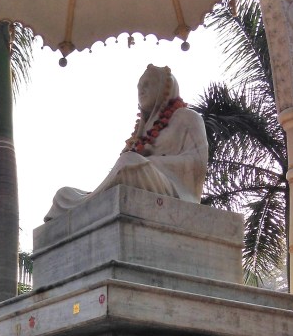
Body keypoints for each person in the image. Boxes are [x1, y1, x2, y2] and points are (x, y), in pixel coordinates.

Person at [45, 64, 208, 221]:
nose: (141, 91)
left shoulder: (188, 117)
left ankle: (81, 208)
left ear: (163, 88)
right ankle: (85, 204)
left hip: (176, 190)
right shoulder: (142, 129)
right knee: (63, 193)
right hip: (138, 176)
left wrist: (150, 162)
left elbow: (197, 163)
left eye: (147, 85)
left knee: (130, 161)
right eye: (138, 87)